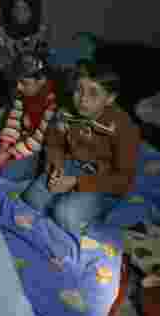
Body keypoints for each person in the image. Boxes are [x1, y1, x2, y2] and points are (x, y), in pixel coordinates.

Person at [20, 60, 141, 236]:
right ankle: (62, 201)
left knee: (65, 214)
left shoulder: (125, 128)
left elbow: (124, 180)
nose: (83, 99)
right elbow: (55, 143)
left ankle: (79, 213)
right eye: (79, 90)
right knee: (32, 199)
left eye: (93, 94)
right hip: (70, 166)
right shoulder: (65, 112)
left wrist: (77, 183)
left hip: (102, 179)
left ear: (110, 98)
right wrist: (56, 167)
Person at [0, 51, 59, 182]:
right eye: (17, 82)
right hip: (19, 138)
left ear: (41, 80)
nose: (19, 87)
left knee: (7, 174)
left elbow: (37, 140)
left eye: (24, 83)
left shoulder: (53, 103)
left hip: (34, 148)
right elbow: (13, 122)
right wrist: (3, 148)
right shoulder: (23, 93)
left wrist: (7, 155)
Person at [0, 0, 48, 96]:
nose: (19, 13)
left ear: (33, 11)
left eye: (25, 9)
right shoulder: (1, 34)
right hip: (8, 90)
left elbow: (44, 64)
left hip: (37, 89)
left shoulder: (41, 32)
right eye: (16, 8)